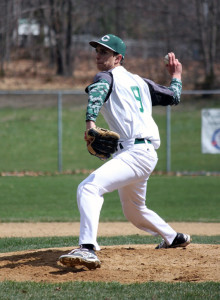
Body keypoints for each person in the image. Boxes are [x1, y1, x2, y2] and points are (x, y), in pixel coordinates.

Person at [59, 34, 191, 270]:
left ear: (118, 58)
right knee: (134, 210)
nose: (99, 56)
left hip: (135, 153)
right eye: (97, 51)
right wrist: (176, 76)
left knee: (88, 188)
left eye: (105, 52)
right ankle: (173, 238)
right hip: (142, 153)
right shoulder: (142, 82)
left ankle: (87, 248)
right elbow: (175, 97)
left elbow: (97, 94)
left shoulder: (105, 77)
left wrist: (90, 123)